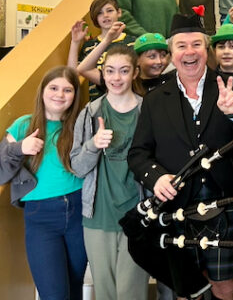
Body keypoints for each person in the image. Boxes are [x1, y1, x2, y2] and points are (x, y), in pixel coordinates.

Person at [127, 13, 233, 299]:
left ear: (207, 49)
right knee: (187, 289)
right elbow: (138, 154)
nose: (190, 52)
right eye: (181, 46)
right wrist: (157, 177)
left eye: (197, 44)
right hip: (177, 205)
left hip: (226, 199)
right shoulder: (154, 98)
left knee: (226, 287)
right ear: (171, 53)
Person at [0, 66, 87, 300]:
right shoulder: (24, 125)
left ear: (75, 95)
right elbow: (1, 170)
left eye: (67, 90)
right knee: (54, 294)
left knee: (74, 288)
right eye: (54, 88)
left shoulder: (79, 125)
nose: (60, 94)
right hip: (41, 217)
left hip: (79, 211)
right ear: (42, 91)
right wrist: (20, 148)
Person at [70, 45, 149, 300]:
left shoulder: (148, 111)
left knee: (131, 293)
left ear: (135, 73)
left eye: (124, 71)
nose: (116, 78)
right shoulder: (90, 113)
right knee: (105, 293)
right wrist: (93, 144)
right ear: (102, 74)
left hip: (138, 217)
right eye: (110, 71)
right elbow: (77, 167)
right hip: (98, 218)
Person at [68, 0, 136, 100]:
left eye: (109, 10)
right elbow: (72, 77)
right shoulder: (89, 46)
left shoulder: (133, 42)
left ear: (119, 12)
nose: (105, 15)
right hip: (97, 103)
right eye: (99, 13)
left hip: (126, 100)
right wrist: (75, 42)